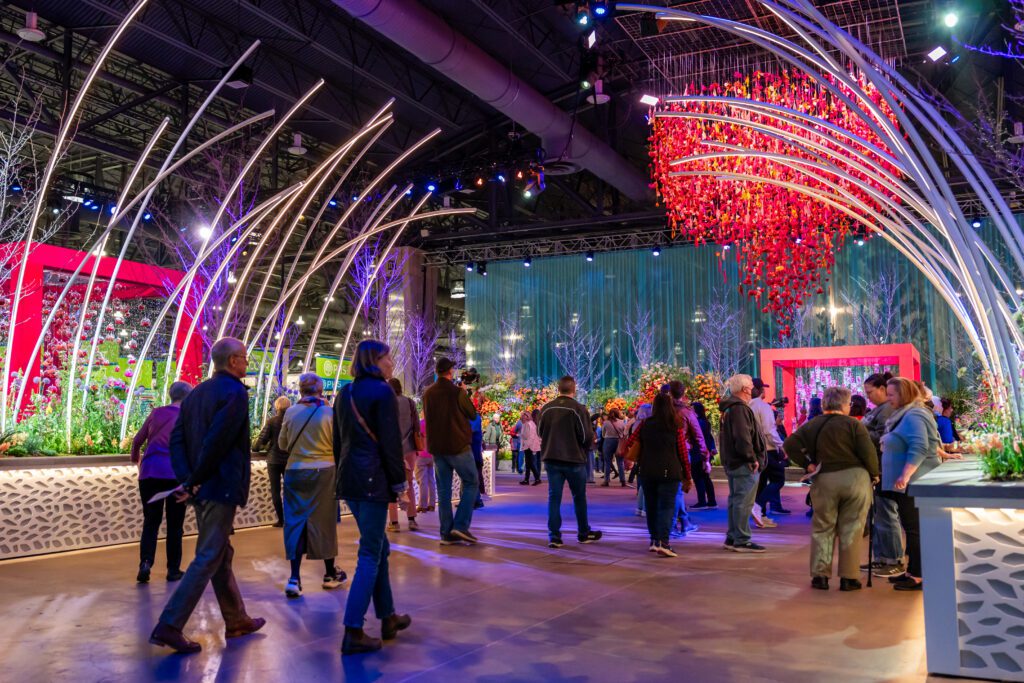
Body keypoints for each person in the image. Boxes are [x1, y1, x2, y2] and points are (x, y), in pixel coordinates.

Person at [149, 337, 264, 655]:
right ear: (232, 361)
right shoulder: (235, 393)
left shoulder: (196, 393)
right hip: (220, 484)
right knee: (209, 555)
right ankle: (169, 625)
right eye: (244, 357)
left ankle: (236, 619)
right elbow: (219, 441)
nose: (246, 362)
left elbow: (177, 440)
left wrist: (188, 479)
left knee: (220, 553)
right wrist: (197, 478)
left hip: (202, 485)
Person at [333, 340, 411, 655]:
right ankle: (353, 629)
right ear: (374, 360)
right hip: (373, 479)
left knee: (380, 547)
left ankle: (388, 616)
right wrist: (400, 485)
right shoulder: (382, 393)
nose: (392, 362)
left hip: (350, 479)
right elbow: (390, 444)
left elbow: (338, 442)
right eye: (388, 356)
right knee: (370, 553)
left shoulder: (344, 393)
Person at [784, 386, 879, 591]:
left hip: (824, 478)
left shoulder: (812, 425)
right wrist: (875, 473)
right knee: (852, 528)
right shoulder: (854, 425)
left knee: (823, 527)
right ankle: (849, 578)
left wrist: (807, 464)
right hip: (855, 479)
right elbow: (868, 452)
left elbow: (790, 444)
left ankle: (820, 576)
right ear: (845, 404)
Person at [279, 373, 345, 598]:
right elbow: (339, 444)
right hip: (324, 471)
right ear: (320, 390)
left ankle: (294, 578)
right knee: (323, 522)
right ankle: (329, 575)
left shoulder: (290, 411)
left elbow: (282, 444)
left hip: (294, 471)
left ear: (300, 390)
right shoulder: (329, 413)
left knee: (295, 522)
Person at [881, 377, 941, 592]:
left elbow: (920, 446)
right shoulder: (905, 414)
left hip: (913, 483)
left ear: (903, 394)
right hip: (905, 484)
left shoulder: (914, 414)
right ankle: (912, 570)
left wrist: (905, 475)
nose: (888, 399)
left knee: (914, 529)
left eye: (891, 395)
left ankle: (918, 575)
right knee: (911, 528)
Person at [131, 380, 193, 584]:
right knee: (175, 524)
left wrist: (137, 461)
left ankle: (145, 563)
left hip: (149, 473)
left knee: (151, 521)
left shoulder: (156, 413)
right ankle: (173, 570)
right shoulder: (187, 417)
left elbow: (137, 441)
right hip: (175, 475)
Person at [621, 393, 693, 557]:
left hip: (647, 471)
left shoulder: (645, 424)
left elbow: (631, 441)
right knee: (667, 507)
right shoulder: (675, 425)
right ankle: (664, 542)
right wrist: (687, 475)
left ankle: (654, 540)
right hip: (670, 472)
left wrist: (633, 457)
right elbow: (682, 452)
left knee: (652, 507)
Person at [538, 376, 602, 548]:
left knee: (554, 497)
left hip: (552, 458)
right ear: (574, 389)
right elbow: (586, 435)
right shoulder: (578, 409)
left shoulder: (546, 408)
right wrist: (583, 448)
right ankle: (583, 532)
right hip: (573, 459)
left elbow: (540, 432)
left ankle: (554, 537)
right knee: (579, 497)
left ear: (558, 389)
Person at [422, 357, 480, 545]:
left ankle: (446, 533)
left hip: (438, 448)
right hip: (458, 446)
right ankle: (461, 526)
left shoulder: (427, 394)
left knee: (444, 491)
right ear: (451, 371)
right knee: (471, 482)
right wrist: (464, 393)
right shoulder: (457, 392)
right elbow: (472, 414)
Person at [860, 372, 903, 578]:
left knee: (886, 515)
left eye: (870, 392)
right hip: (877, 469)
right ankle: (881, 558)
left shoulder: (886, 410)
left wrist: (860, 432)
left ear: (883, 390)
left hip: (883, 469)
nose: (867, 396)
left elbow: (881, 438)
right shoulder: (879, 409)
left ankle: (893, 559)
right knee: (880, 516)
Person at [719, 374, 767, 553]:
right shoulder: (739, 409)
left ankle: (733, 537)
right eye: (750, 386)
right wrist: (751, 458)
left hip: (734, 461)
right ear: (745, 389)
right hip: (742, 463)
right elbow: (743, 436)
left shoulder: (731, 408)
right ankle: (741, 539)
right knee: (743, 501)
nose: (752, 389)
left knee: (736, 500)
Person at [667, 381, 705, 535]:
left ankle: (684, 521)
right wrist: (705, 456)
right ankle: (671, 527)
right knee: (677, 491)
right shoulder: (687, 412)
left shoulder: (664, 410)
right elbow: (698, 435)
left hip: (664, 452)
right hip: (682, 452)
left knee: (674, 490)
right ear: (683, 393)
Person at [386, 378, 421, 532]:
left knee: (391, 486)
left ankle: (394, 523)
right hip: (409, 449)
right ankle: (412, 519)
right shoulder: (409, 402)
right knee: (409, 483)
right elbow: (417, 426)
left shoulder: (386, 403)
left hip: (392, 450)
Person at [750, 378, 788, 518]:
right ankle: (758, 505)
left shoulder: (748, 406)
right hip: (768, 450)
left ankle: (761, 515)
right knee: (778, 479)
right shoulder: (763, 406)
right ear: (760, 390)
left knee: (761, 481)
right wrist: (782, 446)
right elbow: (769, 430)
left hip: (755, 450)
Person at [253, 395, 292, 527]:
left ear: (276, 407)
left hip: (274, 460)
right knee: (290, 490)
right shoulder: (293, 421)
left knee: (275, 490)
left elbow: (261, 441)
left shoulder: (272, 421)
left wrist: (256, 447)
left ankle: (281, 520)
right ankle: (291, 518)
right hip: (290, 460)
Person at [689, 401, 718, 509]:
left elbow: (698, 438)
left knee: (698, 477)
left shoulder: (697, 423)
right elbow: (709, 437)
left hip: (698, 453)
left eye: (692, 409)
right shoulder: (705, 422)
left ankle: (702, 501)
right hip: (705, 452)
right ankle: (712, 501)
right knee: (705, 477)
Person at [601, 408, 627, 487]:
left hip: (608, 441)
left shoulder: (606, 422)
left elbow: (603, 434)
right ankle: (623, 480)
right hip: (619, 442)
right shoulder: (622, 422)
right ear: (618, 414)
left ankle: (606, 481)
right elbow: (624, 433)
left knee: (607, 462)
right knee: (620, 462)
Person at [415, 417, 436, 512]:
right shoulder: (435, 423)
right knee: (431, 480)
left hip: (422, 454)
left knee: (422, 481)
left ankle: (422, 505)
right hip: (432, 455)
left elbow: (417, 437)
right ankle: (431, 504)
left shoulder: (421, 423)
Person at [519, 410, 542, 485]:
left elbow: (530, 436)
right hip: (529, 446)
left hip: (529, 446)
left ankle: (537, 478)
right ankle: (526, 479)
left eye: (524, 416)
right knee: (528, 464)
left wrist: (528, 446)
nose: (522, 417)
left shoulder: (528, 424)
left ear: (527, 417)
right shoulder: (529, 424)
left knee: (531, 463)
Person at [469, 411, 486, 509]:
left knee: (472, 478)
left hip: (473, 454)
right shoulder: (475, 418)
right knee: (470, 478)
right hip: (472, 453)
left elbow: (471, 430)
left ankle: (476, 500)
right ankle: (473, 500)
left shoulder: (475, 418)